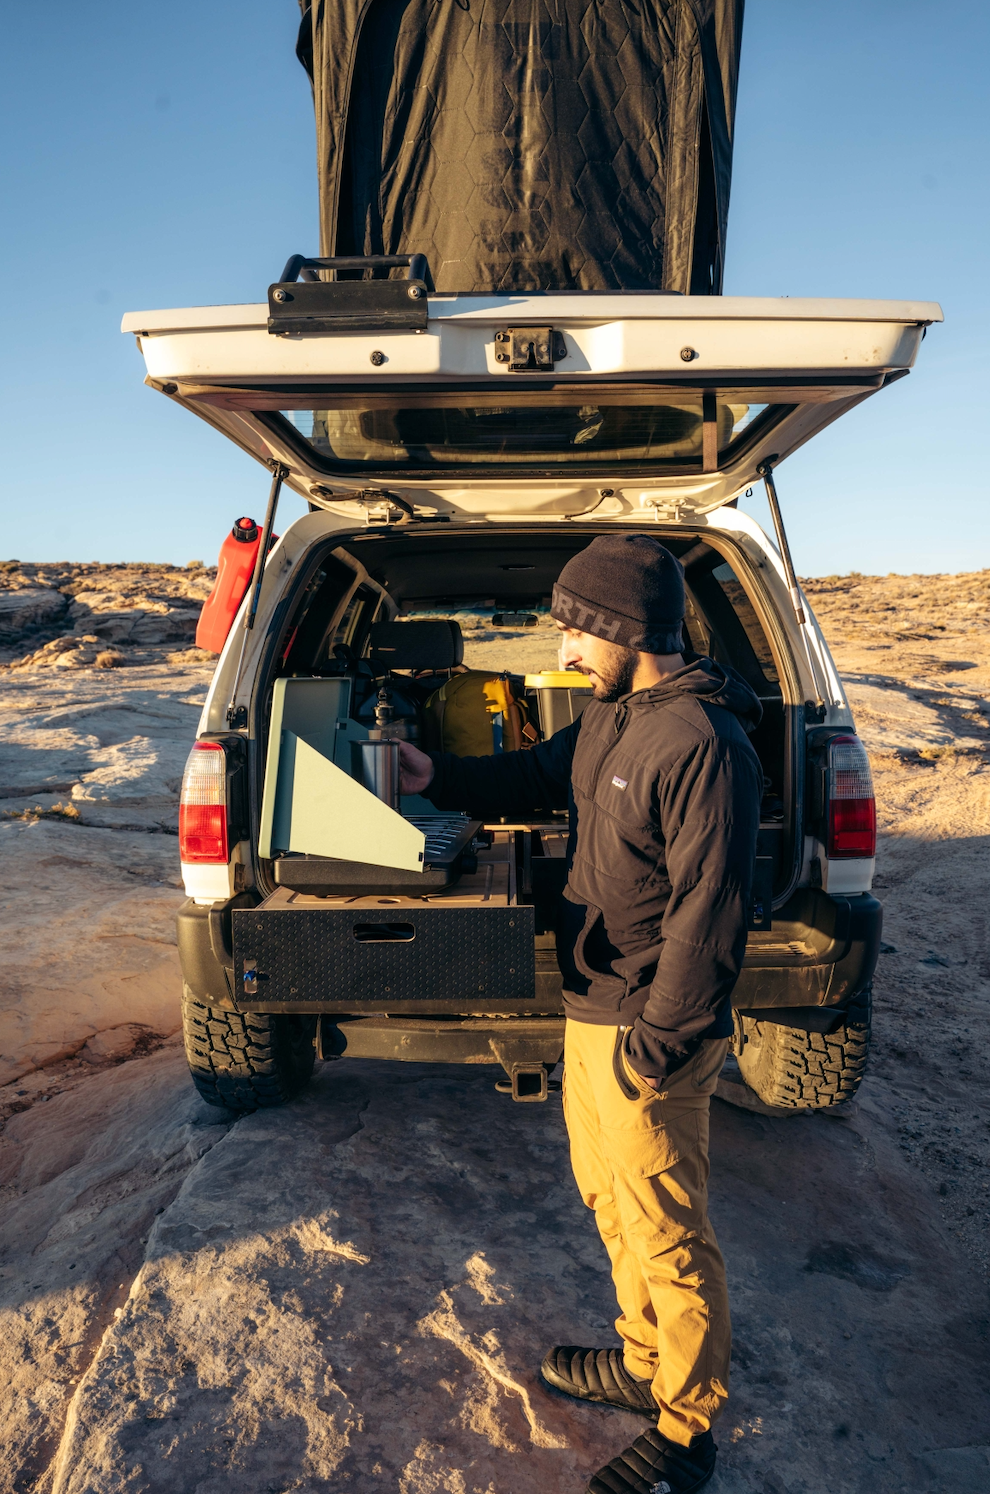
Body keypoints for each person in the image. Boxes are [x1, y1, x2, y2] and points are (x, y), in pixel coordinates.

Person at [398, 534, 763, 1494]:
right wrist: (439, 776)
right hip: (592, 1007)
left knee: (669, 1232)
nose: (560, 647)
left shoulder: (702, 745)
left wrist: (661, 1044)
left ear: (622, 628)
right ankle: (643, 1363)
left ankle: (688, 1432)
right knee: (610, 1200)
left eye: (571, 627)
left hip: (650, 1023)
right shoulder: (612, 714)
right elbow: (535, 774)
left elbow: (711, 912)